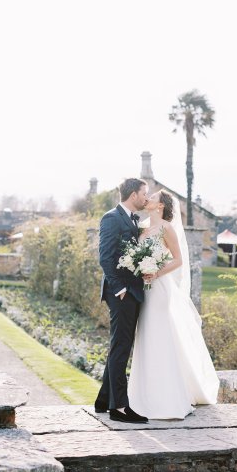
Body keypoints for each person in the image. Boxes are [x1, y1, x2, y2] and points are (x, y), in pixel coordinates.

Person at [128, 189, 219, 419]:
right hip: (144, 289)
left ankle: (167, 398)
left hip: (160, 289)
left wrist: (156, 272)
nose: (148, 198)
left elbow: (178, 260)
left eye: (153, 197)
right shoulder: (141, 228)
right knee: (145, 336)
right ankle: (142, 396)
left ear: (160, 206)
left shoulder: (166, 228)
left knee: (160, 335)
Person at [94, 177, 149, 423]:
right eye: (144, 193)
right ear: (133, 194)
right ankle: (119, 409)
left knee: (120, 345)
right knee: (121, 348)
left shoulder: (133, 219)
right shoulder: (111, 218)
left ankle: (104, 401)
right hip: (121, 293)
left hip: (133, 291)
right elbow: (105, 258)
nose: (146, 198)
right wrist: (120, 289)